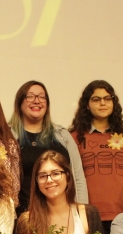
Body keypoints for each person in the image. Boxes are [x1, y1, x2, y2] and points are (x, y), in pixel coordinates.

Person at [16, 151, 105, 234]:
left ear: (67, 176)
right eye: (42, 176)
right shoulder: (27, 221)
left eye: (56, 173)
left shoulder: (88, 214)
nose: (49, 180)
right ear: (36, 182)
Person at [69, 80, 123, 234]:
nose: (102, 103)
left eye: (107, 98)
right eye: (96, 99)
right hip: (88, 216)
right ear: (87, 105)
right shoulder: (74, 138)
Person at [9, 80, 88, 213]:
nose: (37, 101)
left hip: (63, 214)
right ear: (19, 102)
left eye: (42, 97)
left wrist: (82, 211)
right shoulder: (8, 136)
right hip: (23, 215)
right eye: (30, 96)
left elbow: (78, 176)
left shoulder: (62, 135)